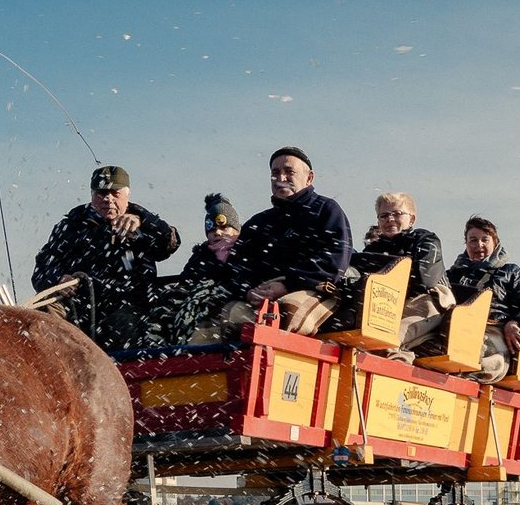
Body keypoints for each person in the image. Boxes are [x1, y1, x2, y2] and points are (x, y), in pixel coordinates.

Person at [32, 164, 180, 350]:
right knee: (40, 318)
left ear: (128, 195)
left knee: (122, 327)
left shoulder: (144, 224)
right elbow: (41, 270)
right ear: (92, 196)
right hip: (78, 306)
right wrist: (58, 280)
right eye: (101, 193)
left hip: (127, 305)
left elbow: (169, 244)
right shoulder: (71, 226)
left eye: (115, 193)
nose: (108, 199)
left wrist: (143, 221)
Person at [229, 147, 354, 335]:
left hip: (313, 288)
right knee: (223, 317)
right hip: (260, 292)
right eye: (275, 172)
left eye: (289, 171)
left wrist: (287, 285)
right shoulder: (258, 222)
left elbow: (333, 261)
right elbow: (236, 266)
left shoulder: (327, 210)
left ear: (309, 178)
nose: (281, 178)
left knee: (283, 314)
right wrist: (247, 290)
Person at [437, 215, 520, 382]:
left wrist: (515, 322)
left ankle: (469, 372)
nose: (478, 245)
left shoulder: (510, 272)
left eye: (484, 240)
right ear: (466, 244)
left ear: (495, 242)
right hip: (455, 327)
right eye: (473, 240)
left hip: (493, 329)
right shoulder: (453, 274)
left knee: (495, 362)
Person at [351, 192, 452, 357]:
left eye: (397, 214)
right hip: (384, 303)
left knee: (387, 338)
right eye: (384, 215)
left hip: (426, 301)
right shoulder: (373, 250)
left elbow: (426, 280)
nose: (390, 219)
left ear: (411, 219)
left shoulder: (426, 240)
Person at [148, 193, 248, 344]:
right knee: (166, 305)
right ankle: (157, 349)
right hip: (197, 299)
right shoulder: (202, 255)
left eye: (224, 228)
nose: (218, 233)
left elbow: (244, 278)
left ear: (236, 230)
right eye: (212, 230)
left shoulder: (245, 251)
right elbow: (186, 280)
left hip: (226, 300)